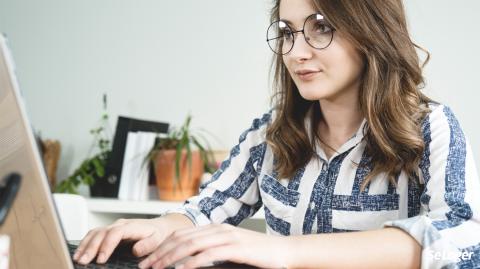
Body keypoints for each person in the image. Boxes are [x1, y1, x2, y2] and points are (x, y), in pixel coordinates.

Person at [73, 0, 480, 268]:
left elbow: (464, 240)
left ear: (370, 31)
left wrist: (284, 251)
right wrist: (162, 228)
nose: (296, 52)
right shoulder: (269, 136)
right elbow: (203, 212)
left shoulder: (429, 128)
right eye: (287, 32)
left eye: (320, 27)